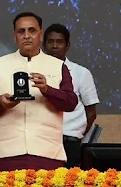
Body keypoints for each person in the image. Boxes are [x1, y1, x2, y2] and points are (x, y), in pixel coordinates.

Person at [0, 11, 78, 170]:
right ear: (15, 36)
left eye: (32, 30)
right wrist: (0, 102)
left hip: (48, 153)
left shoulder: (58, 66)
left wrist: (47, 90)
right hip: (7, 153)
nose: (26, 36)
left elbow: (71, 103)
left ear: (41, 34)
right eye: (21, 31)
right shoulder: (0, 64)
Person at [44, 23, 100, 168]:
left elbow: (91, 112)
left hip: (69, 140)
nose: (55, 46)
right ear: (44, 45)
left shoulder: (82, 73)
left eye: (59, 42)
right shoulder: (35, 72)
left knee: (69, 179)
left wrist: (77, 135)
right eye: (50, 42)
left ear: (67, 46)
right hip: (41, 139)